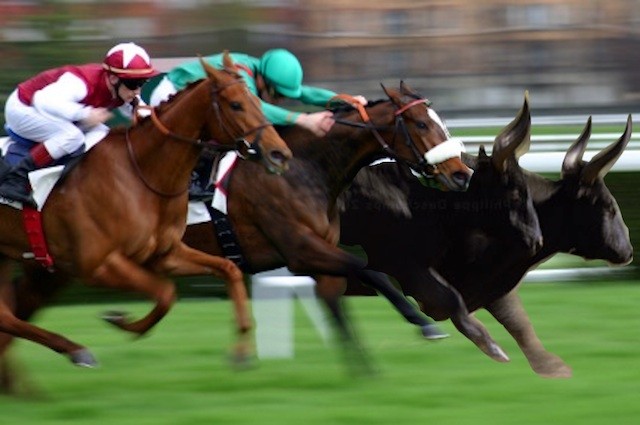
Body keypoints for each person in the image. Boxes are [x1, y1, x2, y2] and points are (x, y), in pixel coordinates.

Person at [0, 42, 159, 207]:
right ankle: (16, 179)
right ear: (113, 79)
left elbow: (143, 114)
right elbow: (43, 101)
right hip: (23, 109)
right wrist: (84, 114)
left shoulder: (121, 89)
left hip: (45, 109)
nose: (137, 91)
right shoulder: (80, 83)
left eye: (142, 82)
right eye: (133, 84)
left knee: (103, 134)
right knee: (72, 137)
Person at [149, 48, 367, 138]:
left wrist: (343, 100)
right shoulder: (242, 76)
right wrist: (303, 119)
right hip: (171, 94)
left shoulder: (262, 70)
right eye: (277, 93)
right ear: (262, 80)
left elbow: (304, 93)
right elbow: (255, 108)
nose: (281, 99)